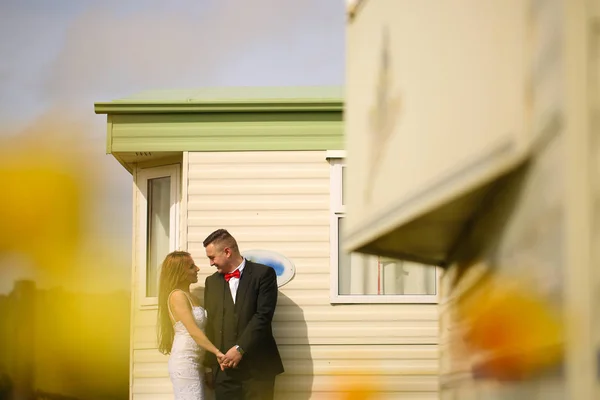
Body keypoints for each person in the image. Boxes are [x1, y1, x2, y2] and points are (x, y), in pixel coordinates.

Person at [202, 229, 284, 400]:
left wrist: (240, 349)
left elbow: (263, 316)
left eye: (212, 257)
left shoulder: (264, 274)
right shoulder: (211, 282)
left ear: (227, 252)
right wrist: (209, 367)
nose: (210, 263)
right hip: (224, 372)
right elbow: (211, 324)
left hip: (258, 369)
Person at [157, 250, 225, 400]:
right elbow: (193, 331)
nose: (197, 269)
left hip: (198, 363)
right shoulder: (177, 296)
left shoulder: (192, 297)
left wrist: (207, 367)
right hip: (185, 363)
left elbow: (204, 331)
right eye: (191, 267)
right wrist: (217, 352)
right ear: (180, 272)